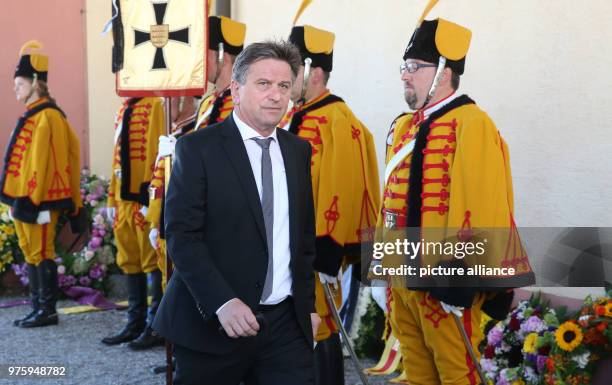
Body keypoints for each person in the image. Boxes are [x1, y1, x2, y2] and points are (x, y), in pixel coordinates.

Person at [373, 6, 534, 385]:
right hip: (402, 280)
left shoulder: (472, 124)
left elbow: (483, 204)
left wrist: (461, 276)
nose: (405, 76)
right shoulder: (403, 126)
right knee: (416, 373)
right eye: (404, 66)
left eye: (414, 66)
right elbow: (388, 203)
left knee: (456, 372)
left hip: (444, 282)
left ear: (444, 72)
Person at [153, 40, 320, 385]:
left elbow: (302, 240)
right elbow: (182, 236)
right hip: (212, 326)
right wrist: (222, 301)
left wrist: (309, 308)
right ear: (236, 88)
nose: (275, 95)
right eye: (264, 84)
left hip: (286, 328)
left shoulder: (297, 151)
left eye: (284, 86)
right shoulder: (198, 148)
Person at [286, 24, 380, 385]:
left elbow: (343, 186)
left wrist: (329, 248)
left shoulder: (338, 119)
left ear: (314, 72)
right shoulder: (292, 115)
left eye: (292, 69)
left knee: (320, 322)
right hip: (286, 242)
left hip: (316, 245)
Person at [1, 40, 83, 328]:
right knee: (29, 250)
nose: (15, 89)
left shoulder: (49, 116)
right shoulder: (33, 114)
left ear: (36, 82)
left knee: (42, 251)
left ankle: (47, 310)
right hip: (22, 198)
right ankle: (37, 306)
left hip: (39, 200)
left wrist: (32, 199)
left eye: (20, 83)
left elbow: (46, 164)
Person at [100, 94, 165, 346]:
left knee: (150, 261)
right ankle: (134, 321)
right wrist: (111, 200)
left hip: (141, 197)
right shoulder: (123, 109)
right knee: (128, 260)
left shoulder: (155, 104)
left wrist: (150, 197)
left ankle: (154, 325)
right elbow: (116, 156)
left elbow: (155, 154)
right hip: (122, 199)